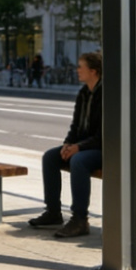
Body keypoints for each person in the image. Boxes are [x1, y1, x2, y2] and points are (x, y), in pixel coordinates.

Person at [29, 51, 102, 238]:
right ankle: (53, 212)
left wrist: (78, 148)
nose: (77, 70)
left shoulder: (106, 94)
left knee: (79, 161)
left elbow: (104, 134)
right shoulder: (83, 93)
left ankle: (80, 219)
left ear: (93, 71)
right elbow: (75, 126)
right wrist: (67, 144)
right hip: (84, 146)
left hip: (103, 149)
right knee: (51, 157)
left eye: (80, 67)